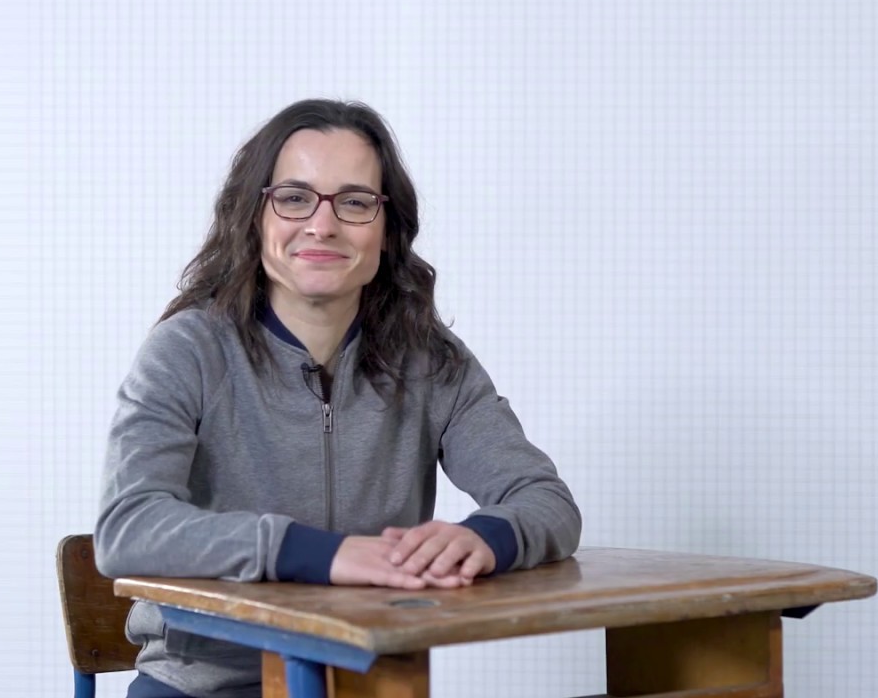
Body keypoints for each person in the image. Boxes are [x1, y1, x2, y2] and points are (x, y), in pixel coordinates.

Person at [93, 98, 582, 698]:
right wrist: (319, 554)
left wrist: (488, 536)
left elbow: (546, 499)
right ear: (254, 217)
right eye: (295, 198)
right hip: (205, 687)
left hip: (371, 683)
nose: (322, 225)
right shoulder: (187, 350)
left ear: (387, 230)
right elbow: (128, 527)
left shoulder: (430, 360)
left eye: (354, 202)